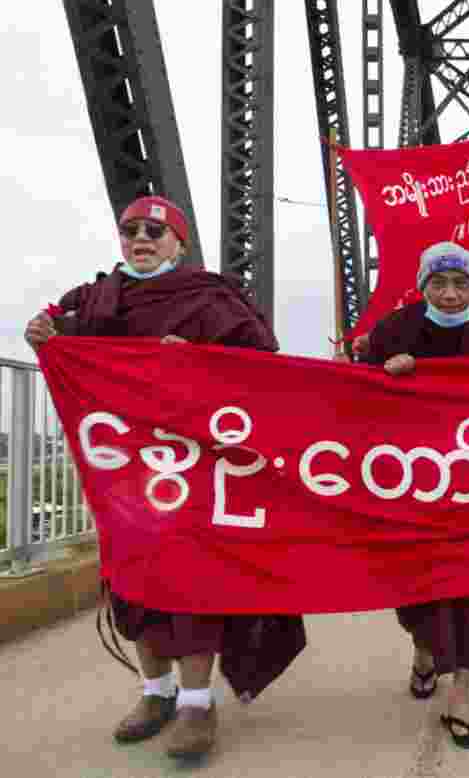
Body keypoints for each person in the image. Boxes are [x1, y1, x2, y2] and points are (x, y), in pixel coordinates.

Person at [24, 195, 306, 761]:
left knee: (192, 583)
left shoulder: (211, 298)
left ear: (180, 242)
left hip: (194, 469)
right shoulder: (97, 297)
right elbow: (56, 323)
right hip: (124, 473)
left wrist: (202, 360)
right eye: (131, 229)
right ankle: (156, 693)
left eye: (156, 230)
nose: (141, 238)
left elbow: (262, 366)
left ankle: (197, 704)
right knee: (133, 582)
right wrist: (41, 329)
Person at [364, 241, 469, 749]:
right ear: (422, 287)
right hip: (411, 483)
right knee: (415, 588)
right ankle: (423, 649)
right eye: (439, 283)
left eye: (462, 283)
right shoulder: (392, 331)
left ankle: (460, 695)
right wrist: (382, 380)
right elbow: (358, 403)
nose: (451, 293)